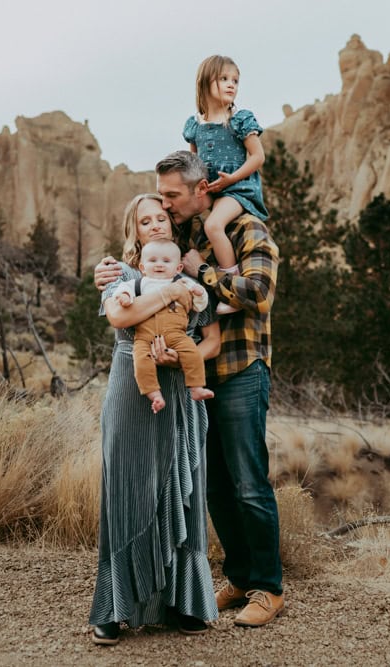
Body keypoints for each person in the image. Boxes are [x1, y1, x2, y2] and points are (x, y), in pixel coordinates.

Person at [94, 150, 283, 628]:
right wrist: (115, 274)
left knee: (247, 481)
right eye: (158, 204)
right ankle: (239, 578)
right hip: (193, 383)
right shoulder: (182, 241)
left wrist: (201, 273)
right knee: (214, 484)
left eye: (171, 198)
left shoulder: (247, 231)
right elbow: (141, 284)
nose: (165, 209)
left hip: (240, 370)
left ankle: (267, 587)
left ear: (202, 190)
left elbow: (258, 292)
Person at [88, 193, 220, 646]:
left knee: (177, 491)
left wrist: (179, 362)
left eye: (161, 218)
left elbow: (212, 343)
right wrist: (166, 292)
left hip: (179, 390)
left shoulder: (193, 276)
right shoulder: (122, 275)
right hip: (130, 388)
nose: (155, 226)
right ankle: (112, 607)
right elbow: (117, 314)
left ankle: (182, 603)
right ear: (135, 232)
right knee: (127, 488)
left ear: (171, 223)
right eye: (145, 222)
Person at [183, 54, 268, 314]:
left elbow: (258, 156)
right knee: (188, 220)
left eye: (235, 80)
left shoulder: (239, 119)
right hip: (213, 190)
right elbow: (194, 164)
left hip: (238, 189)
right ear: (206, 83)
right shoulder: (195, 125)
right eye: (224, 79)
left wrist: (233, 178)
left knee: (213, 225)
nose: (231, 84)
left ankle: (231, 287)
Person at [112, 238, 214, 413]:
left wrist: (199, 293)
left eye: (166, 261)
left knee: (192, 353)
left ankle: (196, 387)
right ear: (142, 267)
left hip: (176, 334)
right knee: (141, 362)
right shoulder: (138, 284)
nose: (159, 265)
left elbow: (199, 304)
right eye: (153, 261)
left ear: (178, 268)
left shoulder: (184, 284)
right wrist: (125, 297)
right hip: (144, 336)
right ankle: (154, 394)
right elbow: (122, 289)